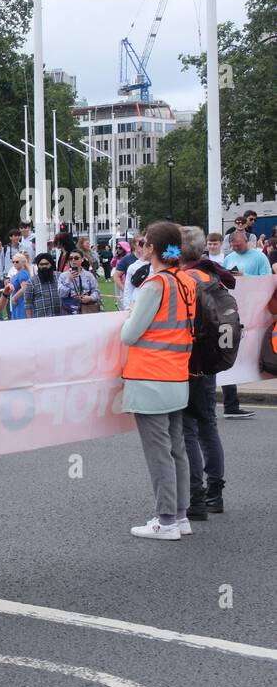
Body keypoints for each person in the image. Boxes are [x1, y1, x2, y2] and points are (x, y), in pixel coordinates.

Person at [121, 221, 196, 540]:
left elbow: (129, 334)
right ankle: (180, 517)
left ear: (151, 248)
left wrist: (132, 311)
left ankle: (165, 521)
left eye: (143, 242)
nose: (141, 246)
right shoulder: (185, 280)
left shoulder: (155, 285)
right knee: (176, 448)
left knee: (159, 453)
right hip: (177, 374)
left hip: (150, 376)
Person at [177, 226, 230, 520]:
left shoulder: (183, 279)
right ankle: (216, 492)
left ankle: (195, 497)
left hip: (186, 362)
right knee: (208, 424)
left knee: (187, 429)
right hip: (209, 361)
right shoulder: (213, 276)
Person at [220, 228, 273, 420]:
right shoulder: (229, 258)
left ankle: (231, 404)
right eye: (233, 245)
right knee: (229, 356)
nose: (235, 247)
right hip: (235, 312)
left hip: (254, 312)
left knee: (249, 353)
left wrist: (245, 277)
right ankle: (230, 404)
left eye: (238, 244)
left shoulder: (258, 258)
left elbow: (268, 281)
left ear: (247, 241)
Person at [24, 253, 64, 318]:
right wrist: (30, 321)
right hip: (41, 320)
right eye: (41, 264)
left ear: (51, 264)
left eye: (47, 264)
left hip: (61, 317)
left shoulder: (60, 277)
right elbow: (28, 303)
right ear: (38, 265)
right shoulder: (31, 282)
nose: (44, 266)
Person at [7, 253, 31, 320]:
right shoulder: (19, 272)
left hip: (21, 302)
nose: (14, 263)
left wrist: (14, 298)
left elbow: (24, 288)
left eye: (17, 262)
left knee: (21, 323)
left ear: (23, 262)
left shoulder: (22, 273)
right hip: (17, 302)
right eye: (13, 262)